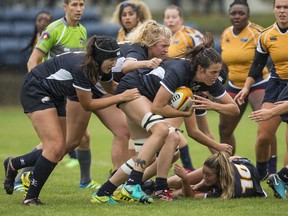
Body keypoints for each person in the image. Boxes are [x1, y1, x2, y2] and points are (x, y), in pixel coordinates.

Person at [91, 33, 237, 204]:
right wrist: (184, 113)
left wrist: (213, 106)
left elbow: (233, 109)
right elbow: (157, 108)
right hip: (133, 91)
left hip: (146, 100)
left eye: (218, 72)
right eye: (213, 72)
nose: (216, 77)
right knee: (160, 130)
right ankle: (132, 185)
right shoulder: (179, 71)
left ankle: (103, 193)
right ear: (201, 69)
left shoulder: (207, 82)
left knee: (170, 140)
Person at [2, 35, 140, 206]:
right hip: (36, 89)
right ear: (99, 56)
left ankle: (14, 163)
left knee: (62, 147)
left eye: (116, 58)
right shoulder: (83, 67)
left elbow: (111, 88)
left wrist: (140, 90)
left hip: (56, 95)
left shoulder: (101, 67)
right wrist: (122, 97)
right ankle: (30, 198)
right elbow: (88, 104)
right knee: (54, 147)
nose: (114, 63)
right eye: (111, 59)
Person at [26, 0, 100, 190]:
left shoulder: (82, 31)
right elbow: (33, 61)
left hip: (73, 91)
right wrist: (37, 87)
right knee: (56, 142)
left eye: (82, 4)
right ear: (65, 7)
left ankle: (85, 181)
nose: (78, 9)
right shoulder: (55, 29)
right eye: (74, 4)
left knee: (81, 138)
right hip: (55, 92)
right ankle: (22, 176)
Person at [219, 0, 277, 174]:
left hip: (257, 83)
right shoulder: (225, 33)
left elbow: (272, 55)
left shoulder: (258, 32)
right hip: (233, 84)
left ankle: (271, 170)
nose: (237, 17)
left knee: (266, 125)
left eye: (241, 13)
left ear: (248, 15)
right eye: (233, 13)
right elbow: (224, 62)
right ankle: (228, 167)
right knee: (225, 128)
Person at [234, 0, 288, 181]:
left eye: (286, 7)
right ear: (274, 10)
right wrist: (246, 88)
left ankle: (283, 179)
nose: (282, 11)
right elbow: (258, 64)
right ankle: (261, 174)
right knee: (264, 136)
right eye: (279, 7)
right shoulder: (266, 35)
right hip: (276, 84)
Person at [163, 4, 208, 172]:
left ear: (181, 19)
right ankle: (191, 167)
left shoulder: (191, 35)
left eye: (174, 17)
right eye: (167, 17)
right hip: (172, 86)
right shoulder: (163, 36)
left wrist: (204, 85)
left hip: (189, 89)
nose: (170, 20)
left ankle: (223, 163)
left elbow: (206, 55)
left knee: (176, 128)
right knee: (185, 129)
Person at [14, 10, 53, 192]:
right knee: (52, 142)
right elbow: (33, 65)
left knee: (76, 138)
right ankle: (21, 176)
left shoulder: (51, 36)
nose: (43, 22)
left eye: (47, 19)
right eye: (40, 19)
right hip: (45, 91)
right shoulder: (43, 41)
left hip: (54, 89)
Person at [169, 152, 267, 199]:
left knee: (182, 190)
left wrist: (185, 179)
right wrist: (200, 184)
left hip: (229, 181)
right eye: (204, 173)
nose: (204, 177)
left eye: (207, 175)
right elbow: (235, 157)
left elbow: (189, 197)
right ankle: (157, 185)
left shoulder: (224, 192)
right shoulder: (225, 168)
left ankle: (163, 192)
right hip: (239, 174)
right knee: (179, 182)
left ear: (220, 175)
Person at [249, 85, 288, 199]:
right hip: (280, 89)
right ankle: (280, 178)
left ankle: (282, 177)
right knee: (263, 137)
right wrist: (272, 112)